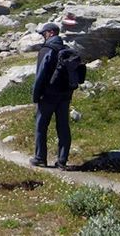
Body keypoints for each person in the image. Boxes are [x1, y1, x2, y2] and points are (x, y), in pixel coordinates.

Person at [30, 22, 74, 170]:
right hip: (65, 95)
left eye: (43, 34)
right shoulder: (67, 49)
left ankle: (40, 158)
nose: (43, 36)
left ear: (50, 33)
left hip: (48, 96)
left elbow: (40, 75)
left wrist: (36, 96)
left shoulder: (46, 50)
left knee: (41, 126)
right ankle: (62, 160)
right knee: (63, 127)